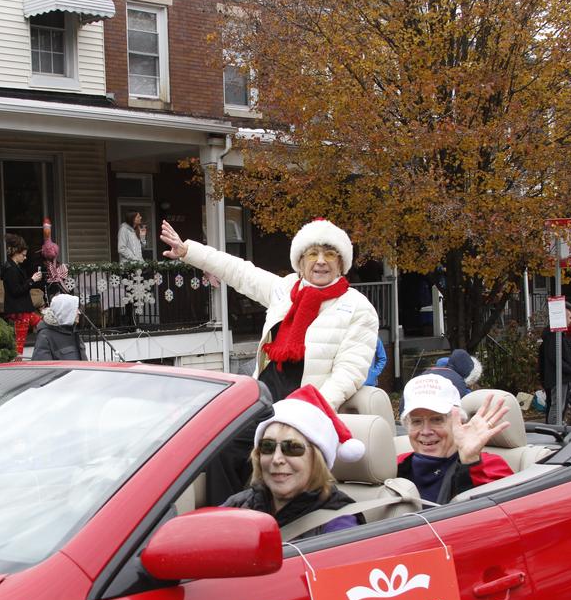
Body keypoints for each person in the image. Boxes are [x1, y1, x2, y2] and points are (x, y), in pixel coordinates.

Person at [160, 218, 378, 409]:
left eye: (330, 254)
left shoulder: (358, 307)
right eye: (313, 254)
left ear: (341, 264)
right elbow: (240, 272)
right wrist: (189, 252)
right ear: (300, 263)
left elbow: (348, 373)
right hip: (265, 405)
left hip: (309, 414)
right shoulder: (286, 289)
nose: (321, 260)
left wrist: (311, 411)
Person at [222, 385, 367, 539]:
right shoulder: (240, 504)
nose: (276, 459)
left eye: (292, 448)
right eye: (267, 446)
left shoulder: (339, 523)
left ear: (317, 459)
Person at [396, 374, 513, 504]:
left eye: (437, 419)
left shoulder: (490, 465)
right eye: (416, 421)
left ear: (459, 422)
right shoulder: (397, 465)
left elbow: (500, 515)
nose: (426, 431)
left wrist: (470, 462)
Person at [1, 233, 43, 356]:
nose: (25, 258)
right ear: (15, 253)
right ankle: (16, 363)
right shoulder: (11, 270)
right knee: (19, 344)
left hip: (24, 310)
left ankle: (44, 350)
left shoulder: (13, 267)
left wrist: (30, 281)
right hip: (19, 311)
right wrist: (32, 280)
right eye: (23, 255)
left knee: (44, 327)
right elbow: (16, 291)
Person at [538, 306, 571, 424]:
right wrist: (569, 369)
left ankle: (557, 426)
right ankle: (554, 428)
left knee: (560, 405)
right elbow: (554, 356)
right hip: (558, 376)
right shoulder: (554, 335)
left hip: (560, 375)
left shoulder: (558, 335)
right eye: (569, 317)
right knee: (557, 405)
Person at [32, 293, 88, 361]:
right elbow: (42, 368)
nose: (79, 312)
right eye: (75, 309)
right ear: (65, 311)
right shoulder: (46, 336)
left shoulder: (73, 332)